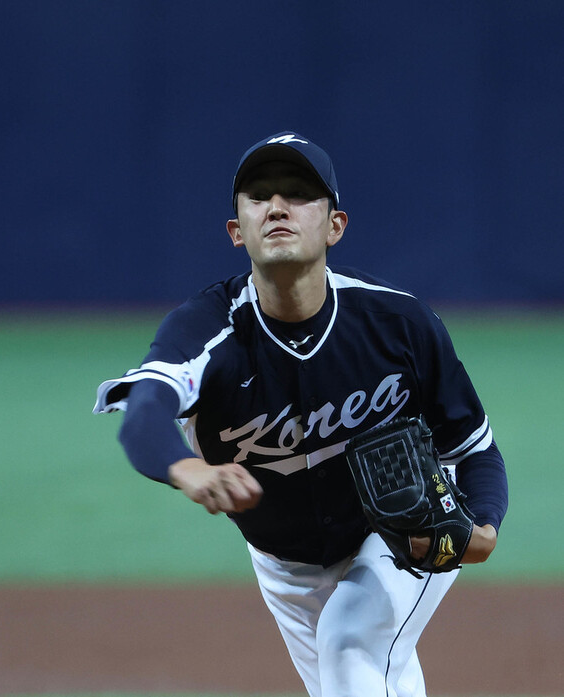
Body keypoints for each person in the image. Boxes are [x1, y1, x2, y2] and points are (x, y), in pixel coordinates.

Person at [92, 132, 509, 697]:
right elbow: (144, 412)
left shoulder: (399, 323)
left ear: (335, 224)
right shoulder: (207, 330)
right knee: (361, 683)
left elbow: (473, 448)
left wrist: (483, 523)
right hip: (284, 566)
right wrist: (186, 469)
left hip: (399, 535)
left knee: (349, 648)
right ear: (237, 232)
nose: (278, 206)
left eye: (299, 193)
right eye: (259, 196)